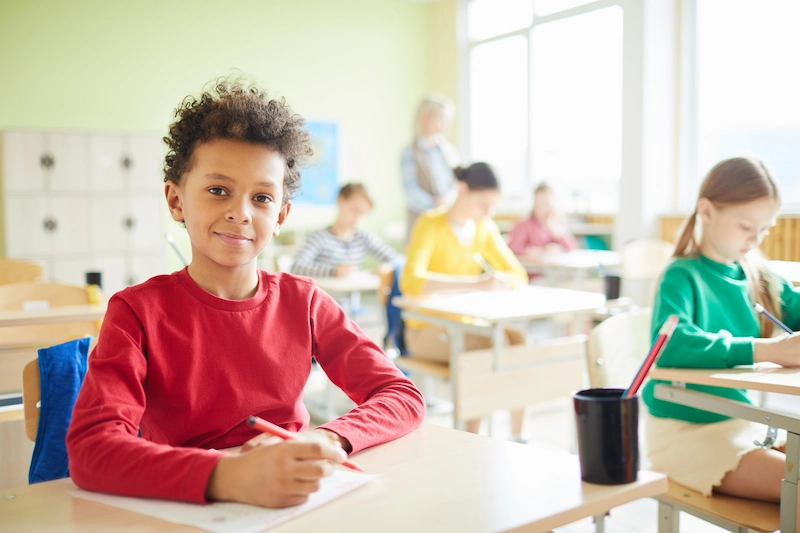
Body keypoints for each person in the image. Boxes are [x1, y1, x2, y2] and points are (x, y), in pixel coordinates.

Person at [66, 77, 425, 508]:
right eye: (218, 191)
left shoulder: (305, 302)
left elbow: (401, 395)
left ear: (280, 216)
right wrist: (229, 476)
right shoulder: (137, 312)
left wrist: (328, 438)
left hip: (292, 501)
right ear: (176, 201)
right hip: (187, 506)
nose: (240, 213)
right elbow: (92, 451)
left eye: (261, 198)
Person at [643, 156, 800, 502]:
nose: (755, 240)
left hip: (740, 420)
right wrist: (766, 350)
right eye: (746, 227)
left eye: (765, 230)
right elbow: (670, 345)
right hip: (685, 432)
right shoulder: (680, 276)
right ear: (707, 210)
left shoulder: (757, 274)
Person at [400, 162, 529, 438]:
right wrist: (477, 284)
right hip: (424, 330)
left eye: (492, 207)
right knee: (485, 344)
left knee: (518, 340)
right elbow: (410, 282)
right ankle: (472, 437)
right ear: (462, 190)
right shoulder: (430, 224)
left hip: (465, 326)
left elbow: (518, 274)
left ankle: (518, 436)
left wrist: (503, 283)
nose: (488, 213)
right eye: (483, 204)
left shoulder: (483, 229)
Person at [290, 183, 399, 278]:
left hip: (352, 301)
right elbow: (296, 267)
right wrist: (334, 271)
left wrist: (386, 268)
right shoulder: (319, 238)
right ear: (340, 201)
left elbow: (398, 260)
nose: (358, 218)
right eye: (354, 210)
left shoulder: (363, 238)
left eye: (363, 214)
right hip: (323, 300)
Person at [400, 93, 460, 241]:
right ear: (426, 118)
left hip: (448, 223)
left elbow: (457, 184)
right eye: (442, 118)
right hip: (422, 223)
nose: (447, 124)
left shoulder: (449, 152)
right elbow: (411, 193)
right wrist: (436, 204)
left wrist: (449, 200)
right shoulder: (410, 153)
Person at [507, 182, 578, 261]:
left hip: (552, 271)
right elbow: (512, 249)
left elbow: (572, 249)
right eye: (538, 203)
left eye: (546, 203)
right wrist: (540, 251)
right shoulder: (523, 225)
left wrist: (553, 229)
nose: (541, 208)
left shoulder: (556, 225)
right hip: (531, 271)